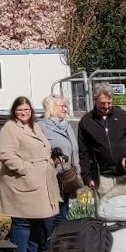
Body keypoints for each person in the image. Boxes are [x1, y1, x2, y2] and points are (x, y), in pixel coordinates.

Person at [0, 96, 59, 252]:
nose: (23, 113)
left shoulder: (35, 126)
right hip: (21, 184)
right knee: (22, 222)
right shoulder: (9, 129)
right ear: (14, 111)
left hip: (40, 184)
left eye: (26, 110)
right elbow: (6, 154)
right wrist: (26, 169)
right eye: (20, 110)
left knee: (37, 221)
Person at [77, 87, 126, 193]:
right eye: (103, 103)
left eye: (109, 103)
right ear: (95, 100)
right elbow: (83, 152)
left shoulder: (123, 116)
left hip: (125, 174)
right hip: (102, 178)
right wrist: (87, 176)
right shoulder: (86, 121)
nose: (106, 106)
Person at [39, 94, 81, 222]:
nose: (65, 109)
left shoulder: (67, 126)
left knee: (64, 214)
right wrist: (53, 155)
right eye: (62, 106)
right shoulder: (41, 126)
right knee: (53, 217)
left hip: (68, 179)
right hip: (52, 179)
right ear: (51, 107)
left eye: (66, 106)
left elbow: (74, 150)